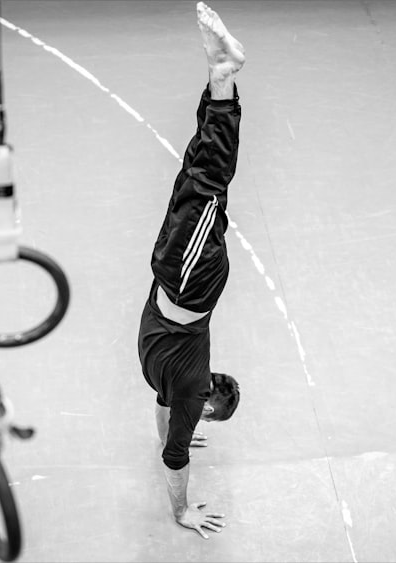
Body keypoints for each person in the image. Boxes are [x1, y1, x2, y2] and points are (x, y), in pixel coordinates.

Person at [137, 1, 245, 540]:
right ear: (206, 406)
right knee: (208, 185)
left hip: (171, 276)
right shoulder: (188, 388)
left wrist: (173, 433)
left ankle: (217, 81)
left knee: (193, 178)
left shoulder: (172, 387)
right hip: (187, 279)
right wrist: (181, 510)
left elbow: (167, 432)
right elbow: (176, 457)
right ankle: (224, 80)